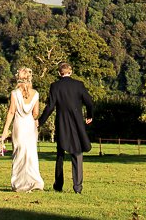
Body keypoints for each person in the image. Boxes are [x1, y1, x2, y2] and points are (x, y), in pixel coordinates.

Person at [39, 61, 95, 193]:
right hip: (77, 123)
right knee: (77, 153)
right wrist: (89, 115)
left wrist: (40, 121)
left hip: (62, 123)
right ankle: (77, 186)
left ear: (59, 73)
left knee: (60, 154)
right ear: (71, 72)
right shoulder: (79, 85)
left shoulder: (55, 86)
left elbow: (50, 107)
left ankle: (58, 185)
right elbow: (90, 102)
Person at [0, 66, 44, 192]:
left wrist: (5, 131)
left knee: (19, 154)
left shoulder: (14, 93)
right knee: (30, 154)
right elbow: (35, 113)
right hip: (30, 126)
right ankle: (34, 181)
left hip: (19, 126)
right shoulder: (36, 94)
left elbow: (11, 112)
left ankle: (19, 183)